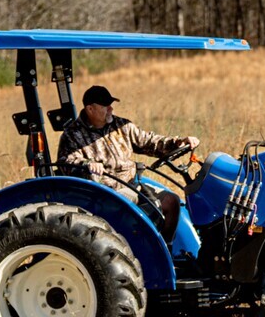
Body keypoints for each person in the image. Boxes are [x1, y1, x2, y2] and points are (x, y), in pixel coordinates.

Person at [57, 84, 199, 242]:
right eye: (106, 106)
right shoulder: (73, 135)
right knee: (145, 209)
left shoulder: (121, 126)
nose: (111, 109)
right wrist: (87, 164)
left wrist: (179, 142)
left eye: (111, 105)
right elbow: (66, 162)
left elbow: (149, 141)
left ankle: (165, 248)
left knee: (171, 201)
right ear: (90, 109)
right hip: (106, 191)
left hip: (133, 183)